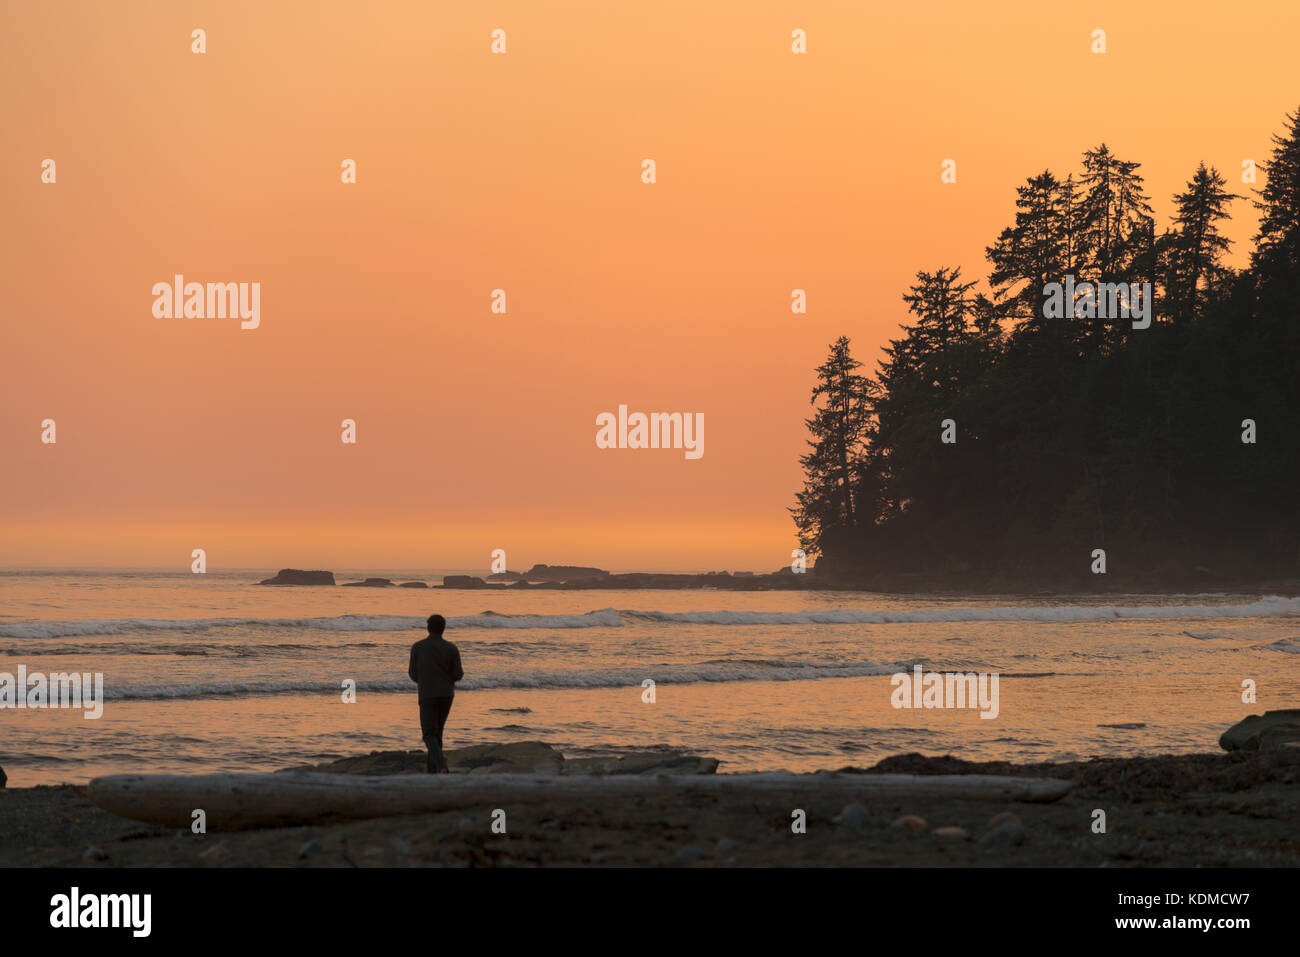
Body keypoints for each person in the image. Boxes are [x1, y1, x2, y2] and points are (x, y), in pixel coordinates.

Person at [408, 614, 464, 773]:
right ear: (443, 629)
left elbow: (412, 674)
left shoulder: (418, 647)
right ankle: (432, 772)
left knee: (428, 734)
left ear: (428, 628)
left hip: (427, 694)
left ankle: (441, 766)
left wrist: (426, 681)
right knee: (437, 733)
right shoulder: (451, 648)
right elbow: (458, 674)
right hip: (446, 694)